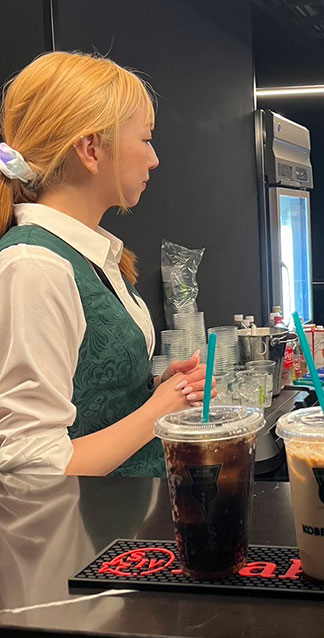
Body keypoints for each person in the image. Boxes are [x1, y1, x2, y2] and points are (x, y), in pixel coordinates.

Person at [0, 51, 212, 477]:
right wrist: (158, 408)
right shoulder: (34, 267)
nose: (153, 159)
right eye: (145, 140)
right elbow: (34, 467)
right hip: (89, 521)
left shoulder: (90, 256)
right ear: (91, 149)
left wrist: (155, 388)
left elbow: (92, 402)